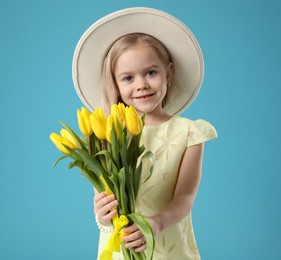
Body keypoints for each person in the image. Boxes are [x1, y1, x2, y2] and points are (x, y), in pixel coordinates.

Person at [72, 7, 218, 259]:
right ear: (115, 83)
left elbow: (185, 197)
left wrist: (156, 223)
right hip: (121, 248)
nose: (141, 84)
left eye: (151, 72)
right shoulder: (107, 134)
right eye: (128, 78)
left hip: (168, 246)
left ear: (168, 73)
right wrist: (102, 214)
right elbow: (104, 199)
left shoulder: (189, 133)